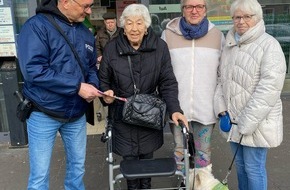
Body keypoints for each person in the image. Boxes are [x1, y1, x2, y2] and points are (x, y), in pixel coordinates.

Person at [98, 4, 188, 189]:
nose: (134, 28)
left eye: (139, 23)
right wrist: (105, 96)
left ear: (146, 25)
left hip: (149, 115)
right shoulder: (111, 48)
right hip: (122, 116)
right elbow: (103, 82)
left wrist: (175, 110)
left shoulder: (160, 47)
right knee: (130, 165)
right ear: (123, 26)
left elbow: (167, 82)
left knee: (148, 165)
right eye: (129, 23)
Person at [17, 0, 102, 189]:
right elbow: (33, 71)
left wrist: (93, 86)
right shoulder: (36, 26)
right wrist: (78, 87)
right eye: (85, 6)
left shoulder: (85, 32)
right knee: (39, 177)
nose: (89, 12)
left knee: (77, 170)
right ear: (65, 2)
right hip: (43, 112)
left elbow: (90, 68)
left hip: (76, 114)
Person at [213, 0, 286, 189]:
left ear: (258, 18)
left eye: (247, 16)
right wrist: (222, 111)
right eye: (237, 17)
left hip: (256, 123)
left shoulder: (269, 45)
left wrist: (247, 122)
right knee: (240, 166)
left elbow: (269, 88)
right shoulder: (229, 45)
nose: (241, 21)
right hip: (233, 122)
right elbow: (221, 80)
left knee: (253, 168)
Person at [161, 0, 224, 174]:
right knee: (179, 151)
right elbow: (162, 71)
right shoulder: (168, 35)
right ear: (183, 10)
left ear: (205, 10)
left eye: (199, 6)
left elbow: (222, 74)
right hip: (177, 107)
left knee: (203, 153)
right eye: (189, 6)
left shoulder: (217, 35)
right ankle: (183, 182)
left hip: (206, 106)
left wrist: (221, 105)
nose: (194, 11)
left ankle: (201, 182)